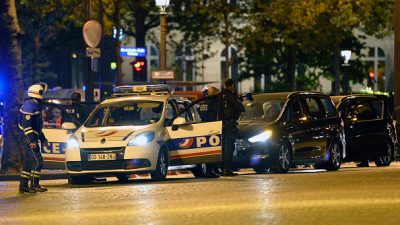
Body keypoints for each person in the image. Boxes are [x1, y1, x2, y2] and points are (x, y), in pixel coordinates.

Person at [18, 82, 49, 193]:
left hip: (30, 138)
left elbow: (37, 128)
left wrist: (43, 139)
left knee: (28, 163)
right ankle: (34, 185)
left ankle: (23, 186)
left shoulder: (34, 105)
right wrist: (32, 141)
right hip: (27, 138)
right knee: (37, 162)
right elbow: (27, 127)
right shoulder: (29, 106)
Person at [220, 78, 245, 176]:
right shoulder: (231, 95)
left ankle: (221, 168)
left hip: (220, 124)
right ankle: (226, 169)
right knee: (229, 146)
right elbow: (240, 107)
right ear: (232, 85)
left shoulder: (219, 96)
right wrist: (240, 102)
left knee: (222, 146)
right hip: (230, 123)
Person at [198, 86, 221, 178]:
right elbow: (218, 114)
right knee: (213, 151)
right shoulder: (215, 103)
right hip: (213, 129)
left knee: (206, 151)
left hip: (203, 128)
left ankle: (210, 170)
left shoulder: (201, 103)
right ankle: (211, 171)